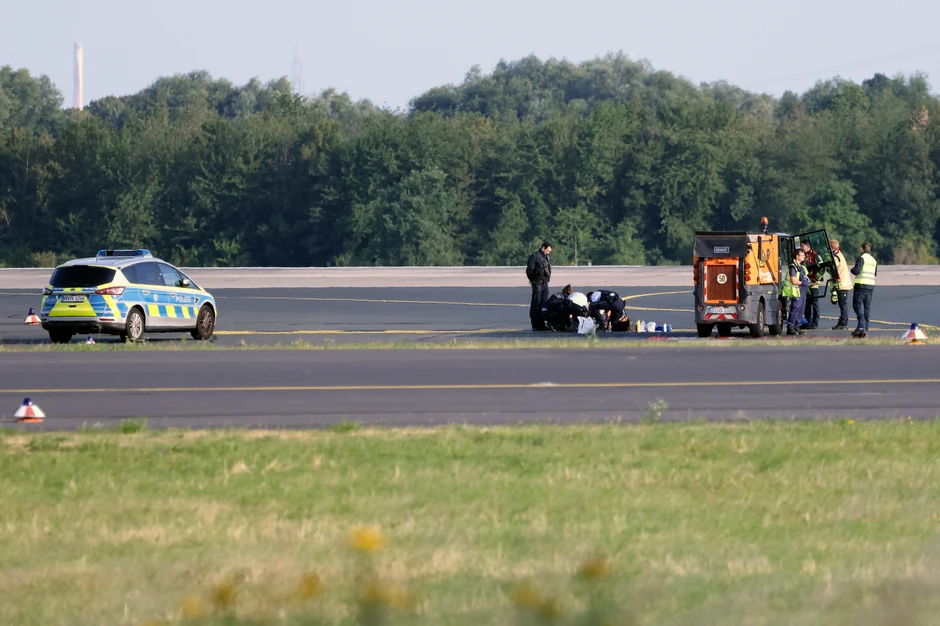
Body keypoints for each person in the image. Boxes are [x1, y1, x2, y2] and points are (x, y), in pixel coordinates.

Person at [850, 242, 877, 338]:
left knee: (857, 306)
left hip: (861, 285)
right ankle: (865, 328)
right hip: (870, 286)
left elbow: (857, 270)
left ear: (862, 249)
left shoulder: (862, 258)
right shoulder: (873, 260)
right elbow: (875, 273)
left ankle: (861, 326)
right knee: (867, 307)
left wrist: (852, 270)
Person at [526, 241, 552, 331]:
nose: (548, 253)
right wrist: (533, 281)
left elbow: (548, 269)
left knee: (544, 304)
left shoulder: (546, 258)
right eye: (547, 251)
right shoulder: (535, 256)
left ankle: (542, 324)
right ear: (543, 248)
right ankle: (535, 324)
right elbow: (529, 270)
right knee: (536, 304)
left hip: (545, 283)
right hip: (537, 283)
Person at [783, 248, 809, 336]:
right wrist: (802, 283)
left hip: (803, 291)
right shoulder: (792, 267)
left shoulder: (802, 267)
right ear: (797, 256)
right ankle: (790, 327)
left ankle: (797, 326)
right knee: (795, 308)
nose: (804, 257)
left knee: (801, 309)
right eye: (802, 255)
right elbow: (793, 280)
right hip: (796, 291)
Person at [830, 239, 853, 330]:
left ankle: (843, 323)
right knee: (842, 304)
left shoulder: (836, 257)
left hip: (842, 284)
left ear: (832, 247)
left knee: (843, 304)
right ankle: (842, 321)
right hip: (843, 284)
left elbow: (833, 270)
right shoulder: (839, 254)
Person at [800, 241, 821, 330]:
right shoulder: (802, 256)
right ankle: (807, 321)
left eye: (802, 246)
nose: (801, 248)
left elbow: (822, 269)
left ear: (807, 246)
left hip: (813, 285)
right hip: (806, 285)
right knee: (806, 305)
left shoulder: (815, 256)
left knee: (814, 304)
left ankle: (815, 323)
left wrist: (815, 279)